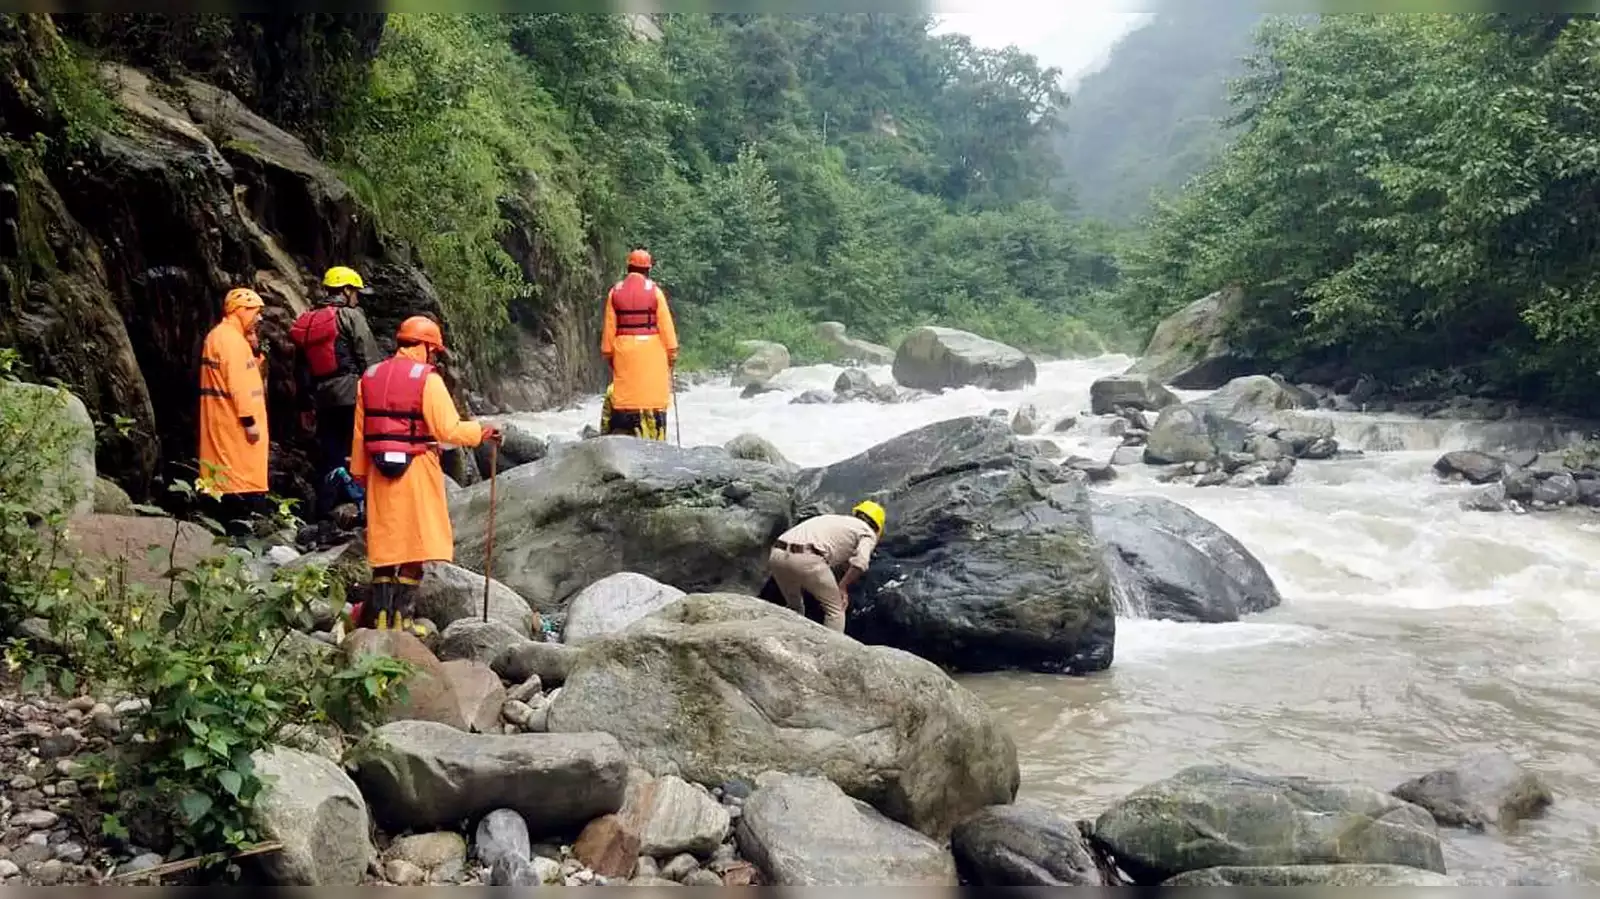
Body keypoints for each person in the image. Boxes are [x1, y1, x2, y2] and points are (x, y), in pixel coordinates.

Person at [350, 315, 501, 633]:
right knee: (414, 545)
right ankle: (402, 620)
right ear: (428, 347)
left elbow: (361, 434)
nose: (435, 357)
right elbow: (448, 429)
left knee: (386, 545)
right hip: (416, 468)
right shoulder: (427, 379)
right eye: (434, 351)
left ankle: (380, 619)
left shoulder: (370, 376)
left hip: (378, 470)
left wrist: (360, 475)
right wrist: (483, 431)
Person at [289, 265, 381, 518]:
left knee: (331, 454)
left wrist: (305, 404)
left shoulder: (308, 319)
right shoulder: (351, 316)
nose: (357, 297)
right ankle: (363, 507)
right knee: (361, 451)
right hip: (352, 394)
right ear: (347, 290)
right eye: (356, 292)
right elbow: (368, 356)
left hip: (322, 397)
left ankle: (327, 509)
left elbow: (301, 368)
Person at [198, 288, 271, 535]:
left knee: (223, 473)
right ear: (241, 311)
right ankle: (238, 531)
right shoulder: (230, 341)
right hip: (233, 422)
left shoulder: (225, 337)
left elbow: (249, 372)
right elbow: (240, 384)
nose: (259, 319)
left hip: (224, 418)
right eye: (256, 312)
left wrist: (255, 349)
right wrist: (249, 421)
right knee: (236, 476)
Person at [767, 501, 886, 632]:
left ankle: (781, 636)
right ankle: (832, 651)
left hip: (777, 554)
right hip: (807, 559)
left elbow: (842, 554)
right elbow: (860, 563)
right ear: (877, 528)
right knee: (835, 611)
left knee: (794, 607)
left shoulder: (834, 519)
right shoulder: (867, 532)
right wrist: (843, 587)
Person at [601, 248, 678, 440]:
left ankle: (623, 431)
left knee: (625, 395)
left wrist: (610, 357)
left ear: (629, 267)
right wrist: (672, 355)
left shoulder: (614, 292)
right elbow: (666, 328)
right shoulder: (655, 292)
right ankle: (656, 437)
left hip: (624, 349)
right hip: (652, 351)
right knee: (654, 395)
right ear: (648, 270)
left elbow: (609, 336)